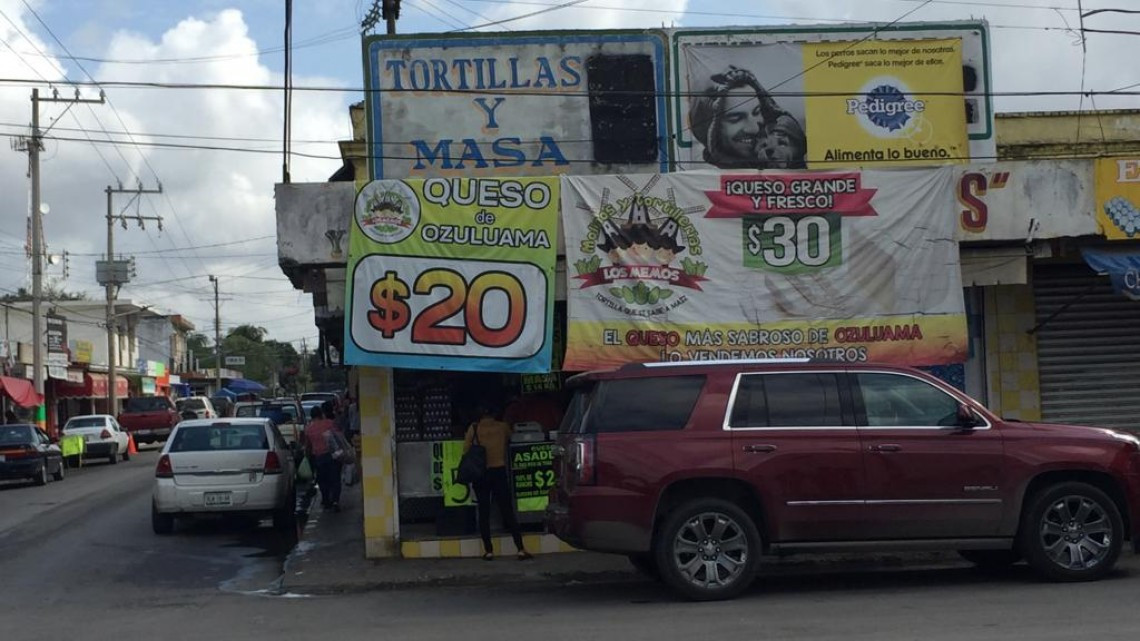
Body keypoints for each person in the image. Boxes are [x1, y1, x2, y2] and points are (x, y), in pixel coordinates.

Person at [689, 65, 806, 170]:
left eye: (757, 112)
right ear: (710, 129)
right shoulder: (703, 176)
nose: (754, 128)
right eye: (736, 119)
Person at [464, 404, 532, 561]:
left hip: (481, 474)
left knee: (484, 512)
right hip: (499, 471)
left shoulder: (474, 428)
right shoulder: (502, 427)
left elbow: (465, 449)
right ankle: (520, 548)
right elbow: (512, 438)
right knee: (507, 510)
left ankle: (489, 551)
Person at [304, 405, 343, 511]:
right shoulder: (329, 423)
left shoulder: (309, 429)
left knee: (323, 480)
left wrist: (307, 457)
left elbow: (308, 446)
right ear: (321, 414)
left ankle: (326, 500)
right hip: (333, 455)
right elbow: (339, 437)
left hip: (319, 457)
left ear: (311, 416)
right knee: (335, 478)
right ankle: (335, 500)